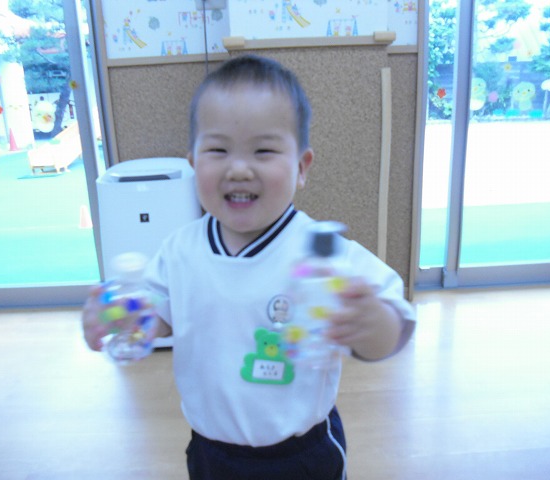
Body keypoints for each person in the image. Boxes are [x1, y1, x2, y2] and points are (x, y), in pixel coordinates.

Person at [83, 54, 416, 479]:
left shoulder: (323, 251)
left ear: (301, 167)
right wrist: (123, 315)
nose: (239, 169)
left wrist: (372, 323)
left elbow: (394, 324)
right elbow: (158, 316)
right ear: (193, 162)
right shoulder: (179, 251)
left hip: (302, 453)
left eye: (263, 150)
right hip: (212, 452)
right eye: (218, 150)